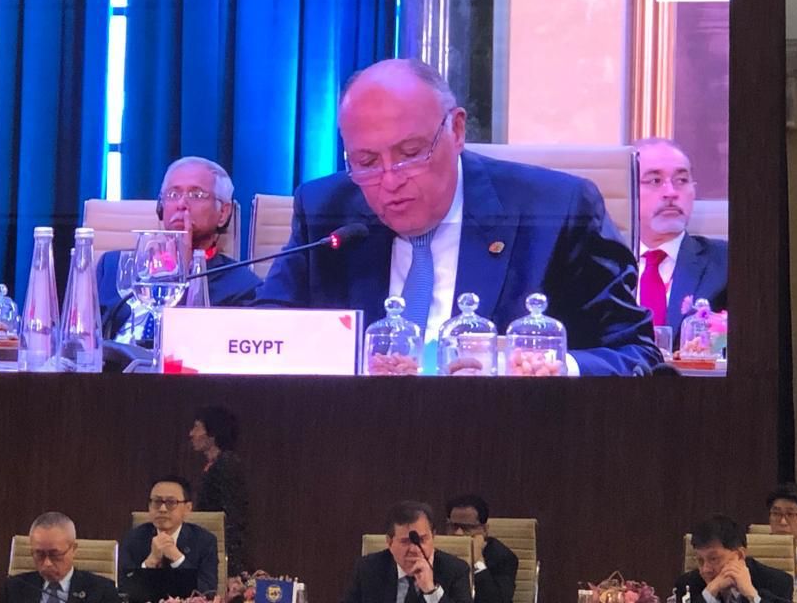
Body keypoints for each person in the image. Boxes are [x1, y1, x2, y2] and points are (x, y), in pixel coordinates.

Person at [255, 58, 658, 376]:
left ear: (457, 130)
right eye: (367, 162)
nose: (390, 180)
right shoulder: (326, 211)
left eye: (411, 153)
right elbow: (262, 339)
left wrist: (551, 367)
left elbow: (636, 352)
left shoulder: (556, 210)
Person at [97, 156, 261, 341]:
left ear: (223, 213)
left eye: (196, 195)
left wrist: (183, 271)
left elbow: (193, 347)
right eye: (173, 195)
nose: (181, 204)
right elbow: (85, 335)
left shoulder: (242, 286)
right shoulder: (114, 266)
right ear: (161, 207)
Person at [634, 138, 728, 337]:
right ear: (628, 189)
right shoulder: (602, 264)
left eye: (682, 181)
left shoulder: (726, 263)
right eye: (655, 181)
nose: (671, 192)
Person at [342, 500, 471, 603]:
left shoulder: (455, 570)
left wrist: (431, 591)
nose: (414, 550)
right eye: (405, 541)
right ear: (389, 542)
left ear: (433, 536)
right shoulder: (368, 568)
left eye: (421, 540)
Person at [119, 476, 218, 594]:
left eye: (171, 502)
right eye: (157, 502)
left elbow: (208, 591)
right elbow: (123, 589)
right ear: (149, 506)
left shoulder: (205, 541)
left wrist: (178, 559)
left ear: (187, 508)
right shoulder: (133, 538)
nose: (162, 509)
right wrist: (150, 562)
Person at [0, 511, 118, 603]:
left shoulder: (102, 591)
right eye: (39, 554)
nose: (47, 563)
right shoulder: (13, 588)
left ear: (73, 549)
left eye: (55, 555)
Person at [673, 514, 793, 603]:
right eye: (700, 561)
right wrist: (709, 593)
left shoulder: (777, 582)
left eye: (713, 559)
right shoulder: (687, 584)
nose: (705, 569)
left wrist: (752, 595)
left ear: (739, 555)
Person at [190, 405, 248, 576]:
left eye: (197, 428)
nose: (191, 434)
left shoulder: (226, 465)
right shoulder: (214, 465)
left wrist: (231, 566)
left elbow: (232, 516)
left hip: (222, 554)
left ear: (213, 433)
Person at [445, 494, 517, 603]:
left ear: (484, 529)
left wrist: (478, 561)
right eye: (453, 526)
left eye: (467, 527)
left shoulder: (503, 557)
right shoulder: (439, 552)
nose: (458, 533)